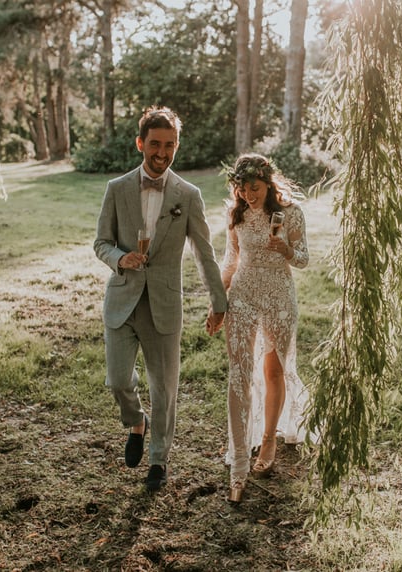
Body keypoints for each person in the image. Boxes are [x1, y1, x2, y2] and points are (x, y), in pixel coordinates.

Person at [94, 106, 227, 492]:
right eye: (155, 144)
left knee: (164, 389)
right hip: (122, 301)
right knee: (118, 380)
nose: (162, 152)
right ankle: (137, 421)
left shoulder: (189, 195)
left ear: (176, 146)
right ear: (140, 143)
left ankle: (158, 460)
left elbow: (204, 253)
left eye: (169, 145)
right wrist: (120, 259)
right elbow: (101, 242)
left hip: (164, 305)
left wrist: (219, 301)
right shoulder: (117, 189)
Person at [212, 153, 309, 503]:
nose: (248, 195)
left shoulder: (291, 212)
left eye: (254, 188)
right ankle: (239, 454)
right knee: (239, 374)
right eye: (242, 188)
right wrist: (217, 302)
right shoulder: (235, 213)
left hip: (279, 296)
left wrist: (286, 249)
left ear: (268, 183)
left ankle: (269, 439)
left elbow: (304, 259)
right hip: (243, 295)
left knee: (273, 371)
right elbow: (230, 261)